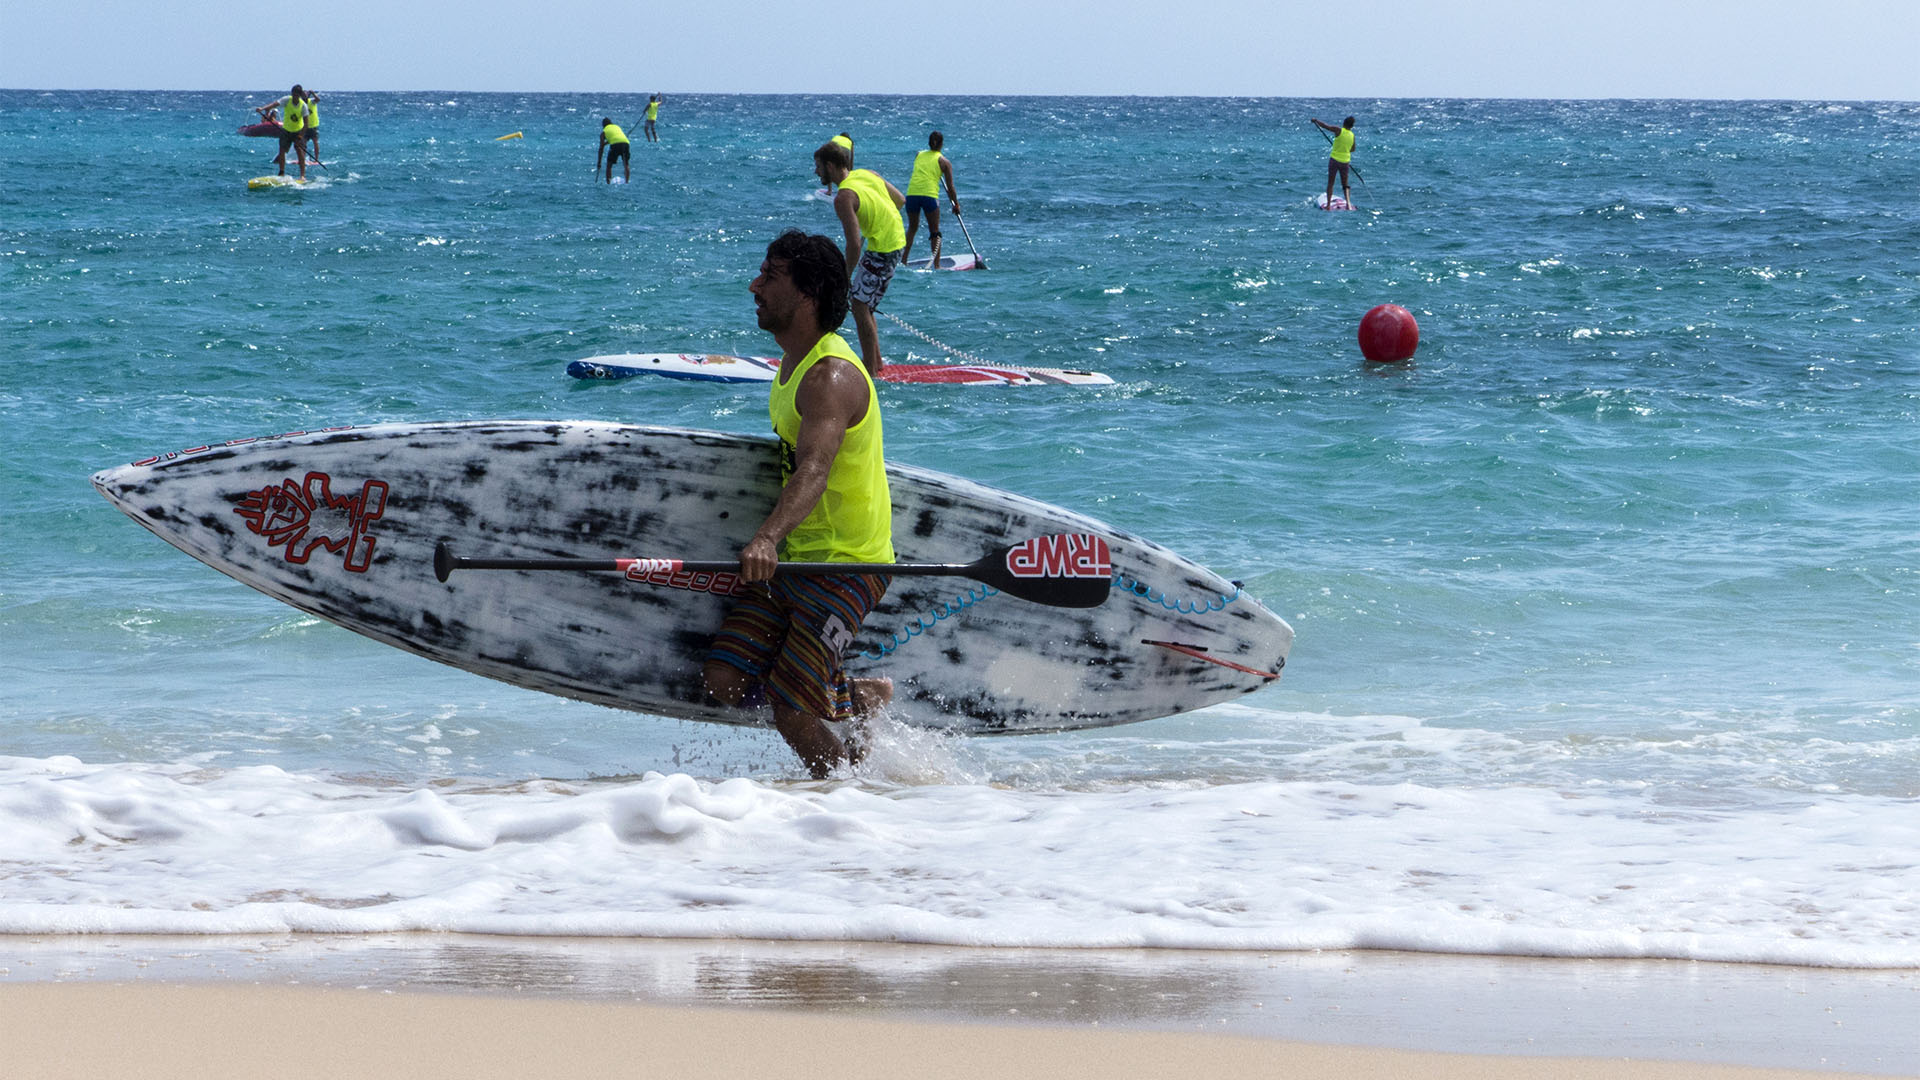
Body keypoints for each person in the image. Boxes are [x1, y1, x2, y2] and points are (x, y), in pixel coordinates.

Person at [703, 229, 896, 778]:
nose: (754, 285)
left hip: (849, 563)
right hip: (799, 557)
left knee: (792, 712)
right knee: (724, 683)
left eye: (770, 276)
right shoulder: (790, 365)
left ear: (808, 293)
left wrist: (765, 537)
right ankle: (859, 695)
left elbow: (814, 468)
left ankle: (845, 811)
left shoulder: (829, 376)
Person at [812, 140, 906, 376]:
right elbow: (900, 200)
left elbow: (853, 243)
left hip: (883, 249)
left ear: (830, 166)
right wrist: (879, 218)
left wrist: (844, 276)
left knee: (859, 305)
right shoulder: (867, 174)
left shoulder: (843, 198)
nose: (816, 172)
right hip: (891, 242)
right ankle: (877, 362)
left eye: (818, 167)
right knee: (865, 303)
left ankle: (871, 372)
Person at [900, 131, 961, 267]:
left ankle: (903, 260)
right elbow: (950, 187)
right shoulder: (944, 162)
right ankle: (937, 265)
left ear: (929, 143)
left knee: (912, 228)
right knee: (934, 231)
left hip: (912, 194)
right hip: (929, 196)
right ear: (942, 144)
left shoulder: (918, 155)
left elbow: (925, 169)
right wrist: (956, 204)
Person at [258, 85, 309, 179]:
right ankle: (281, 172)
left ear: (299, 95)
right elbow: (274, 104)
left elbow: (306, 123)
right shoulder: (287, 100)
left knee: (300, 151)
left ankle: (302, 175)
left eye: (296, 95)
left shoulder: (303, 106)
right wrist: (262, 109)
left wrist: (300, 136)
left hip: (298, 131)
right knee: (282, 151)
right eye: (293, 94)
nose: (294, 97)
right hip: (286, 130)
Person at [1312, 115, 1357, 208]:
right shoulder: (1352, 135)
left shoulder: (1339, 130)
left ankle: (1328, 205)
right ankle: (1348, 204)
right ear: (1351, 126)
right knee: (1345, 183)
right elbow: (1352, 149)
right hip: (1345, 161)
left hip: (1335, 160)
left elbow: (1325, 126)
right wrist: (1344, 148)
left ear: (1344, 123)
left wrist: (1316, 121)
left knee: (1331, 182)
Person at [598, 117, 631, 184]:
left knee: (609, 165)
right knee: (626, 164)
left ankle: (608, 182)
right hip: (625, 143)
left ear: (603, 125)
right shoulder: (617, 127)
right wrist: (606, 143)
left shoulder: (603, 132)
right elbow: (616, 137)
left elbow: (601, 149)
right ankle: (627, 182)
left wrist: (599, 162)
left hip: (615, 145)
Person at [300, 90, 320, 164]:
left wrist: (313, 93)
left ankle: (316, 159)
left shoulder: (311, 101)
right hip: (305, 126)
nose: (304, 95)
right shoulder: (300, 103)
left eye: (305, 94)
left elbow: (318, 99)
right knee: (303, 143)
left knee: (315, 142)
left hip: (313, 126)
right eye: (303, 94)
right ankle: (302, 159)